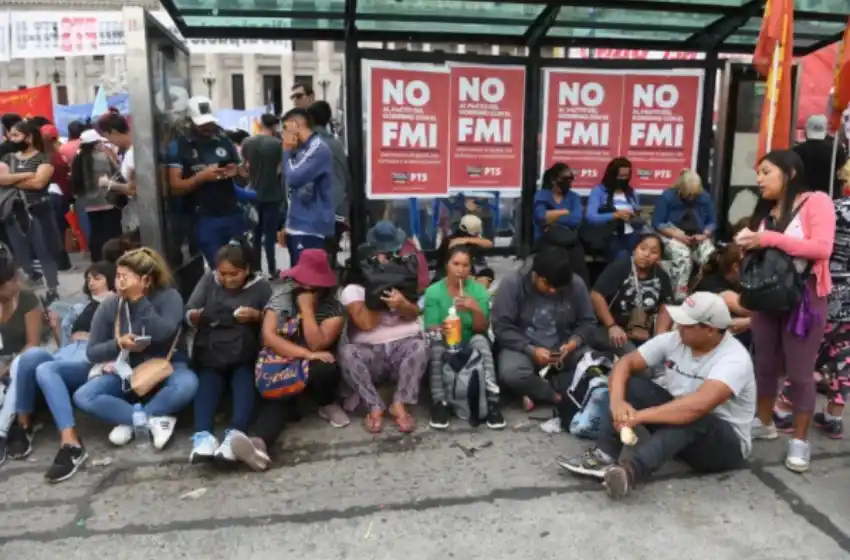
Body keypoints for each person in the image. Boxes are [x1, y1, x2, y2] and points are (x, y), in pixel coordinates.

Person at [558, 293, 755, 500]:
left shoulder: (734, 359)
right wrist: (618, 403)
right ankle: (604, 457)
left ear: (709, 330)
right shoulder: (675, 340)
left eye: (687, 324)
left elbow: (697, 406)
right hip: (679, 430)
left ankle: (630, 472)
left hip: (721, 446)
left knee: (694, 414)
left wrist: (639, 417)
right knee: (630, 384)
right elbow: (625, 364)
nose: (678, 328)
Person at [736, 149, 835, 473]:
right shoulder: (767, 210)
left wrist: (767, 238)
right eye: (758, 173)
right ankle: (765, 424)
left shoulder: (816, 201)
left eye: (766, 172)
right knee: (764, 365)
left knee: (800, 373)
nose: (759, 179)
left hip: (804, 299)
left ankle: (800, 441)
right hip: (767, 298)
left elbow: (822, 248)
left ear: (789, 174)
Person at [232, 248, 347, 471]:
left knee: (326, 367)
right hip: (282, 360)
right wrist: (305, 354)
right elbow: (269, 337)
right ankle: (259, 445)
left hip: (313, 367)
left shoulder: (333, 309)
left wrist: (306, 310)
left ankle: (325, 404)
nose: (303, 287)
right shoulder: (281, 297)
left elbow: (318, 344)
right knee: (280, 397)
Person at [73, 247, 199, 450]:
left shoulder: (169, 297)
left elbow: (163, 333)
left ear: (146, 280)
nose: (119, 282)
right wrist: (118, 344)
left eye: (125, 277)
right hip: (127, 370)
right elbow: (92, 351)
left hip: (167, 364)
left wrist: (139, 301)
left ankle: (131, 421)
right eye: (118, 276)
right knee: (84, 396)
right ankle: (148, 420)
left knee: (187, 384)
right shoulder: (111, 304)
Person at [10, 261, 115, 482]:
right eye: (88, 279)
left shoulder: (117, 305)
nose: (91, 283)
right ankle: (24, 423)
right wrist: (57, 326)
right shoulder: (79, 308)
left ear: (111, 279)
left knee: (47, 367)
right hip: (65, 355)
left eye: (98, 278)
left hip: (88, 358)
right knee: (30, 356)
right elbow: (63, 344)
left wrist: (94, 339)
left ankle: (71, 442)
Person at [185, 240, 272, 465]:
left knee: (243, 376)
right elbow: (188, 313)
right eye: (222, 274)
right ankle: (203, 436)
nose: (227, 279)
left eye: (234, 274)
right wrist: (197, 315)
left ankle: (235, 434)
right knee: (208, 379)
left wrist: (256, 316)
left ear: (247, 270)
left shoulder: (261, 286)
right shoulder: (209, 281)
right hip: (213, 348)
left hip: (245, 350)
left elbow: (276, 319)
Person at [339, 223, 428, 434]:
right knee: (347, 353)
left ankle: (400, 403)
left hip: (402, 348)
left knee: (421, 346)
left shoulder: (403, 282)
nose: (389, 258)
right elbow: (366, 324)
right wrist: (379, 296)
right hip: (371, 354)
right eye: (383, 255)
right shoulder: (354, 289)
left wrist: (403, 304)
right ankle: (374, 405)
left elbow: (415, 313)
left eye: (392, 253)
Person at [492, 246, 597, 411]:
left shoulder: (575, 284)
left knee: (593, 363)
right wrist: (531, 349)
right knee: (511, 372)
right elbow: (501, 327)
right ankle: (553, 394)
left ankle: (533, 390)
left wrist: (573, 342)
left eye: (558, 288)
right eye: (548, 285)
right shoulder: (512, 284)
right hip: (524, 348)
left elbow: (588, 322)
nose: (553, 290)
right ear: (535, 275)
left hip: (563, 346)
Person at [425, 246, 504, 430]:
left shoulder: (478, 291)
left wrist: (475, 308)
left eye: (465, 265)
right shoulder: (434, 292)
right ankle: (440, 403)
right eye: (456, 264)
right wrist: (443, 328)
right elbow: (430, 329)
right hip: (445, 340)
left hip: (470, 339)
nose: (460, 269)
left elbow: (482, 328)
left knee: (481, 342)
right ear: (447, 265)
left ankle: (492, 402)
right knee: (436, 347)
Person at [166, 96, 247, 266]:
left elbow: (243, 173)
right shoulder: (179, 147)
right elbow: (175, 187)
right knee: (220, 267)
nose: (208, 128)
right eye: (202, 124)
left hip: (232, 212)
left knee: (242, 264)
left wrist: (236, 171)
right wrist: (202, 177)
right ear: (190, 122)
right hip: (203, 217)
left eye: (210, 123)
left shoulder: (224, 140)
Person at [0, 119, 61, 303]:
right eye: (10, 135)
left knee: (44, 251)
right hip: (13, 211)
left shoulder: (45, 158)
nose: (12, 139)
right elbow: (2, 180)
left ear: (29, 137)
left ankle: (52, 289)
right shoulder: (7, 158)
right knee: (20, 253)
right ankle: (31, 281)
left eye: (16, 135)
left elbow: (39, 183)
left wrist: (11, 179)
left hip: (38, 210)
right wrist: (27, 175)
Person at [590, 234, 673, 355]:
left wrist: (659, 337)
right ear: (635, 250)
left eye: (653, 252)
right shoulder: (619, 268)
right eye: (643, 248)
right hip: (610, 329)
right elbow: (596, 295)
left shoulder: (661, 276)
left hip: (643, 332)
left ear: (659, 258)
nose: (646, 254)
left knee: (660, 356)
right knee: (640, 363)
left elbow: (666, 306)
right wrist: (612, 326)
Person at [0, 247, 43, 465]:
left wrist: (6, 368)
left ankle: (5, 430)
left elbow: (33, 343)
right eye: (11, 280)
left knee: (19, 363)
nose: (17, 283)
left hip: (25, 361)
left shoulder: (26, 299)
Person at [279, 108, 335, 266]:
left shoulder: (317, 148)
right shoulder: (303, 150)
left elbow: (293, 178)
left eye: (285, 128)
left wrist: (286, 151)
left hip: (310, 227)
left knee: (308, 280)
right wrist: (288, 225)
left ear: (295, 125)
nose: (283, 135)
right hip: (298, 225)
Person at [653, 170, 717, 301]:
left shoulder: (705, 197)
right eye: (688, 195)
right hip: (672, 234)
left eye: (694, 195)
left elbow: (712, 222)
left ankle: (703, 291)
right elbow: (657, 222)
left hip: (698, 235)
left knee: (711, 256)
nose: (691, 198)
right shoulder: (668, 196)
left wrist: (704, 234)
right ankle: (678, 296)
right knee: (683, 257)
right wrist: (677, 236)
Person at [70, 129, 126, 262]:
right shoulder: (103, 157)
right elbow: (118, 171)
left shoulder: (78, 160)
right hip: (108, 200)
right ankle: (114, 259)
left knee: (96, 232)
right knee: (113, 232)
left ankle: (97, 259)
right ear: (96, 143)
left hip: (90, 203)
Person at [308, 100, 352, 260]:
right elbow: (347, 177)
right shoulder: (337, 144)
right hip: (338, 208)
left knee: (314, 257)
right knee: (329, 252)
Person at [241, 114, 284, 277]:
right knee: (270, 235)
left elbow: (244, 167)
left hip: (253, 194)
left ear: (261, 124)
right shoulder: (278, 144)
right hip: (272, 194)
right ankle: (272, 269)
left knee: (255, 235)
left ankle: (256, 269)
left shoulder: (247, 142)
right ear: (275, 126)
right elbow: (281, 170)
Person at [533, 163, 588, 284]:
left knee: (577, 256)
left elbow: (575, 220)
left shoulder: (574, 197)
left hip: (569, 238)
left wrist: (553, 216)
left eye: (570, 179)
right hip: (545, 239)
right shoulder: (542, 195)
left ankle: (580, 292)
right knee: (557, 256)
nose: (568, 182)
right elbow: (541, 217)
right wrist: (565, 212)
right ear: (554, 180)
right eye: (564, 179)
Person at [586, 157, 643, 261]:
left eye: (626, 176)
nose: (623, 179)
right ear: (612, 175)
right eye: (620, 176)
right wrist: (615, 215)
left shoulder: (632, 193)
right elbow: (591, 217)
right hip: (608, 234)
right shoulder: (599, 191)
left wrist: (634, 217)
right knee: (622, 257)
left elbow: (639, 218)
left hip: (630, 233)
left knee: (638, 255)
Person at [691, 243, 751, 337]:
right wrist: (751, 322)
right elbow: (749, 310)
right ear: (736, 267)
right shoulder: (712, 283)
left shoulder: (735, 283)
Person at [40, 123, 73, 271]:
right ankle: (62, 263)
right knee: (57, 230)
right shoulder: (56, 156)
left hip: (44, 196)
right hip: (56, 195)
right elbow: (63, 179)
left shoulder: (39, 156)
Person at [793, 114, 847, 197]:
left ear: (806, 130)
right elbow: (841, 175)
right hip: (831, 196)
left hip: (804, 198)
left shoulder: (797, 150)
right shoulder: (837, 149)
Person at [434, 214, 493, 281]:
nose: (477, 235)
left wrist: (467, 240)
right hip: (449, 279)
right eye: (476, 233)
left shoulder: (452, 239)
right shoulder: (458, 244)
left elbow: (489, 244)